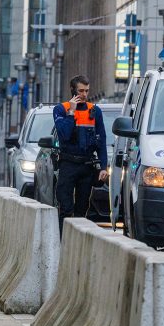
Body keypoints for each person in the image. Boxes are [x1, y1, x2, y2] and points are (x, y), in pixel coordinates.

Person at [53, 74, 108, 233]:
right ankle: (63, 241)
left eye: (87, 91)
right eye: (81, 91)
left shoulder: (95, 111)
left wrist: (103, 167)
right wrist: (71, 112)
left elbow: (101, 141)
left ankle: (77, 240)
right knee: (66, 207)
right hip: (68, 165)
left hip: (86, 166)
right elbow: (64, 134)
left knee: (82, 209)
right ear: (73, 90)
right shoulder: (61, 109)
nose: (84, 94)